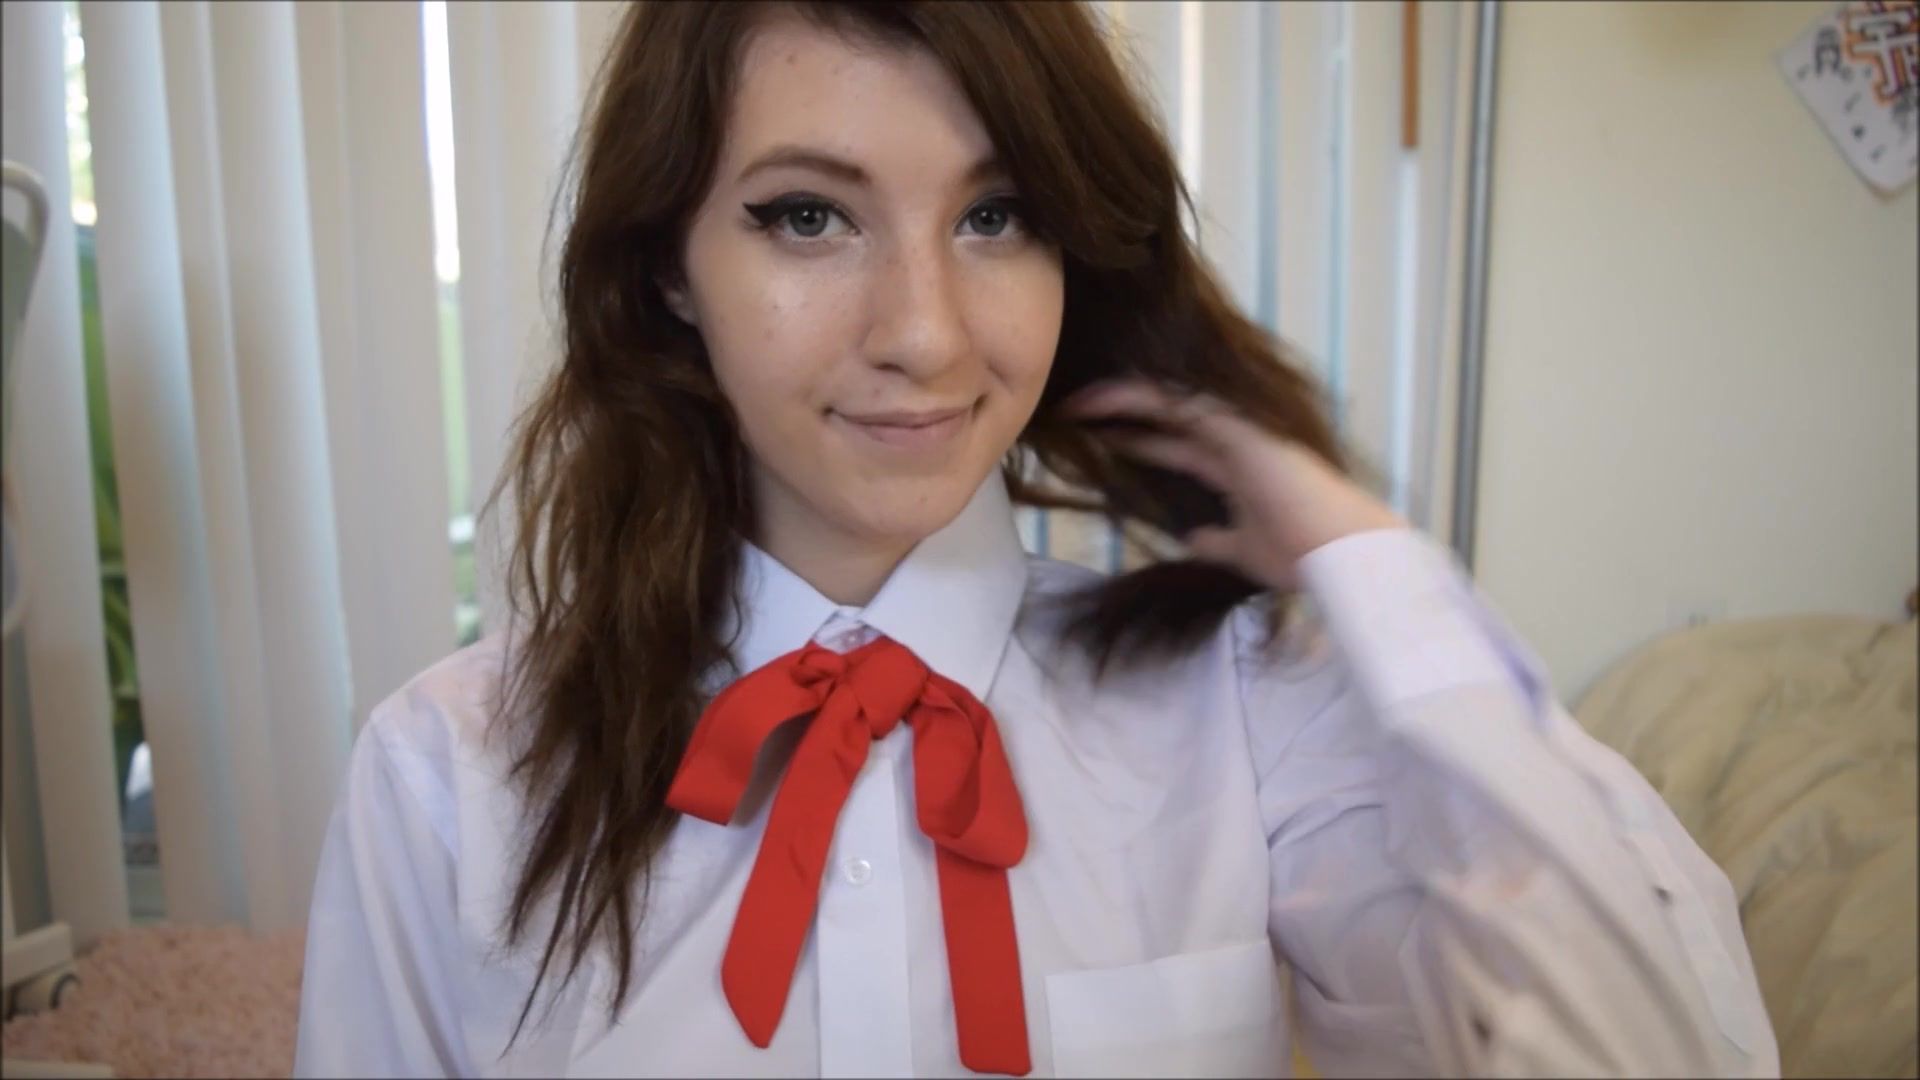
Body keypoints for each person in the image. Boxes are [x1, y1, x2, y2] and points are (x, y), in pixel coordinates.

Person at [292, 2, 1778, 1076]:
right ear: (670, 269)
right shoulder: (446, 774)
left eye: (997, 216)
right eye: (807, 217)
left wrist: (1365, 560)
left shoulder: (1251, 708)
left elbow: (1668, 1049)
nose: (927, 335)